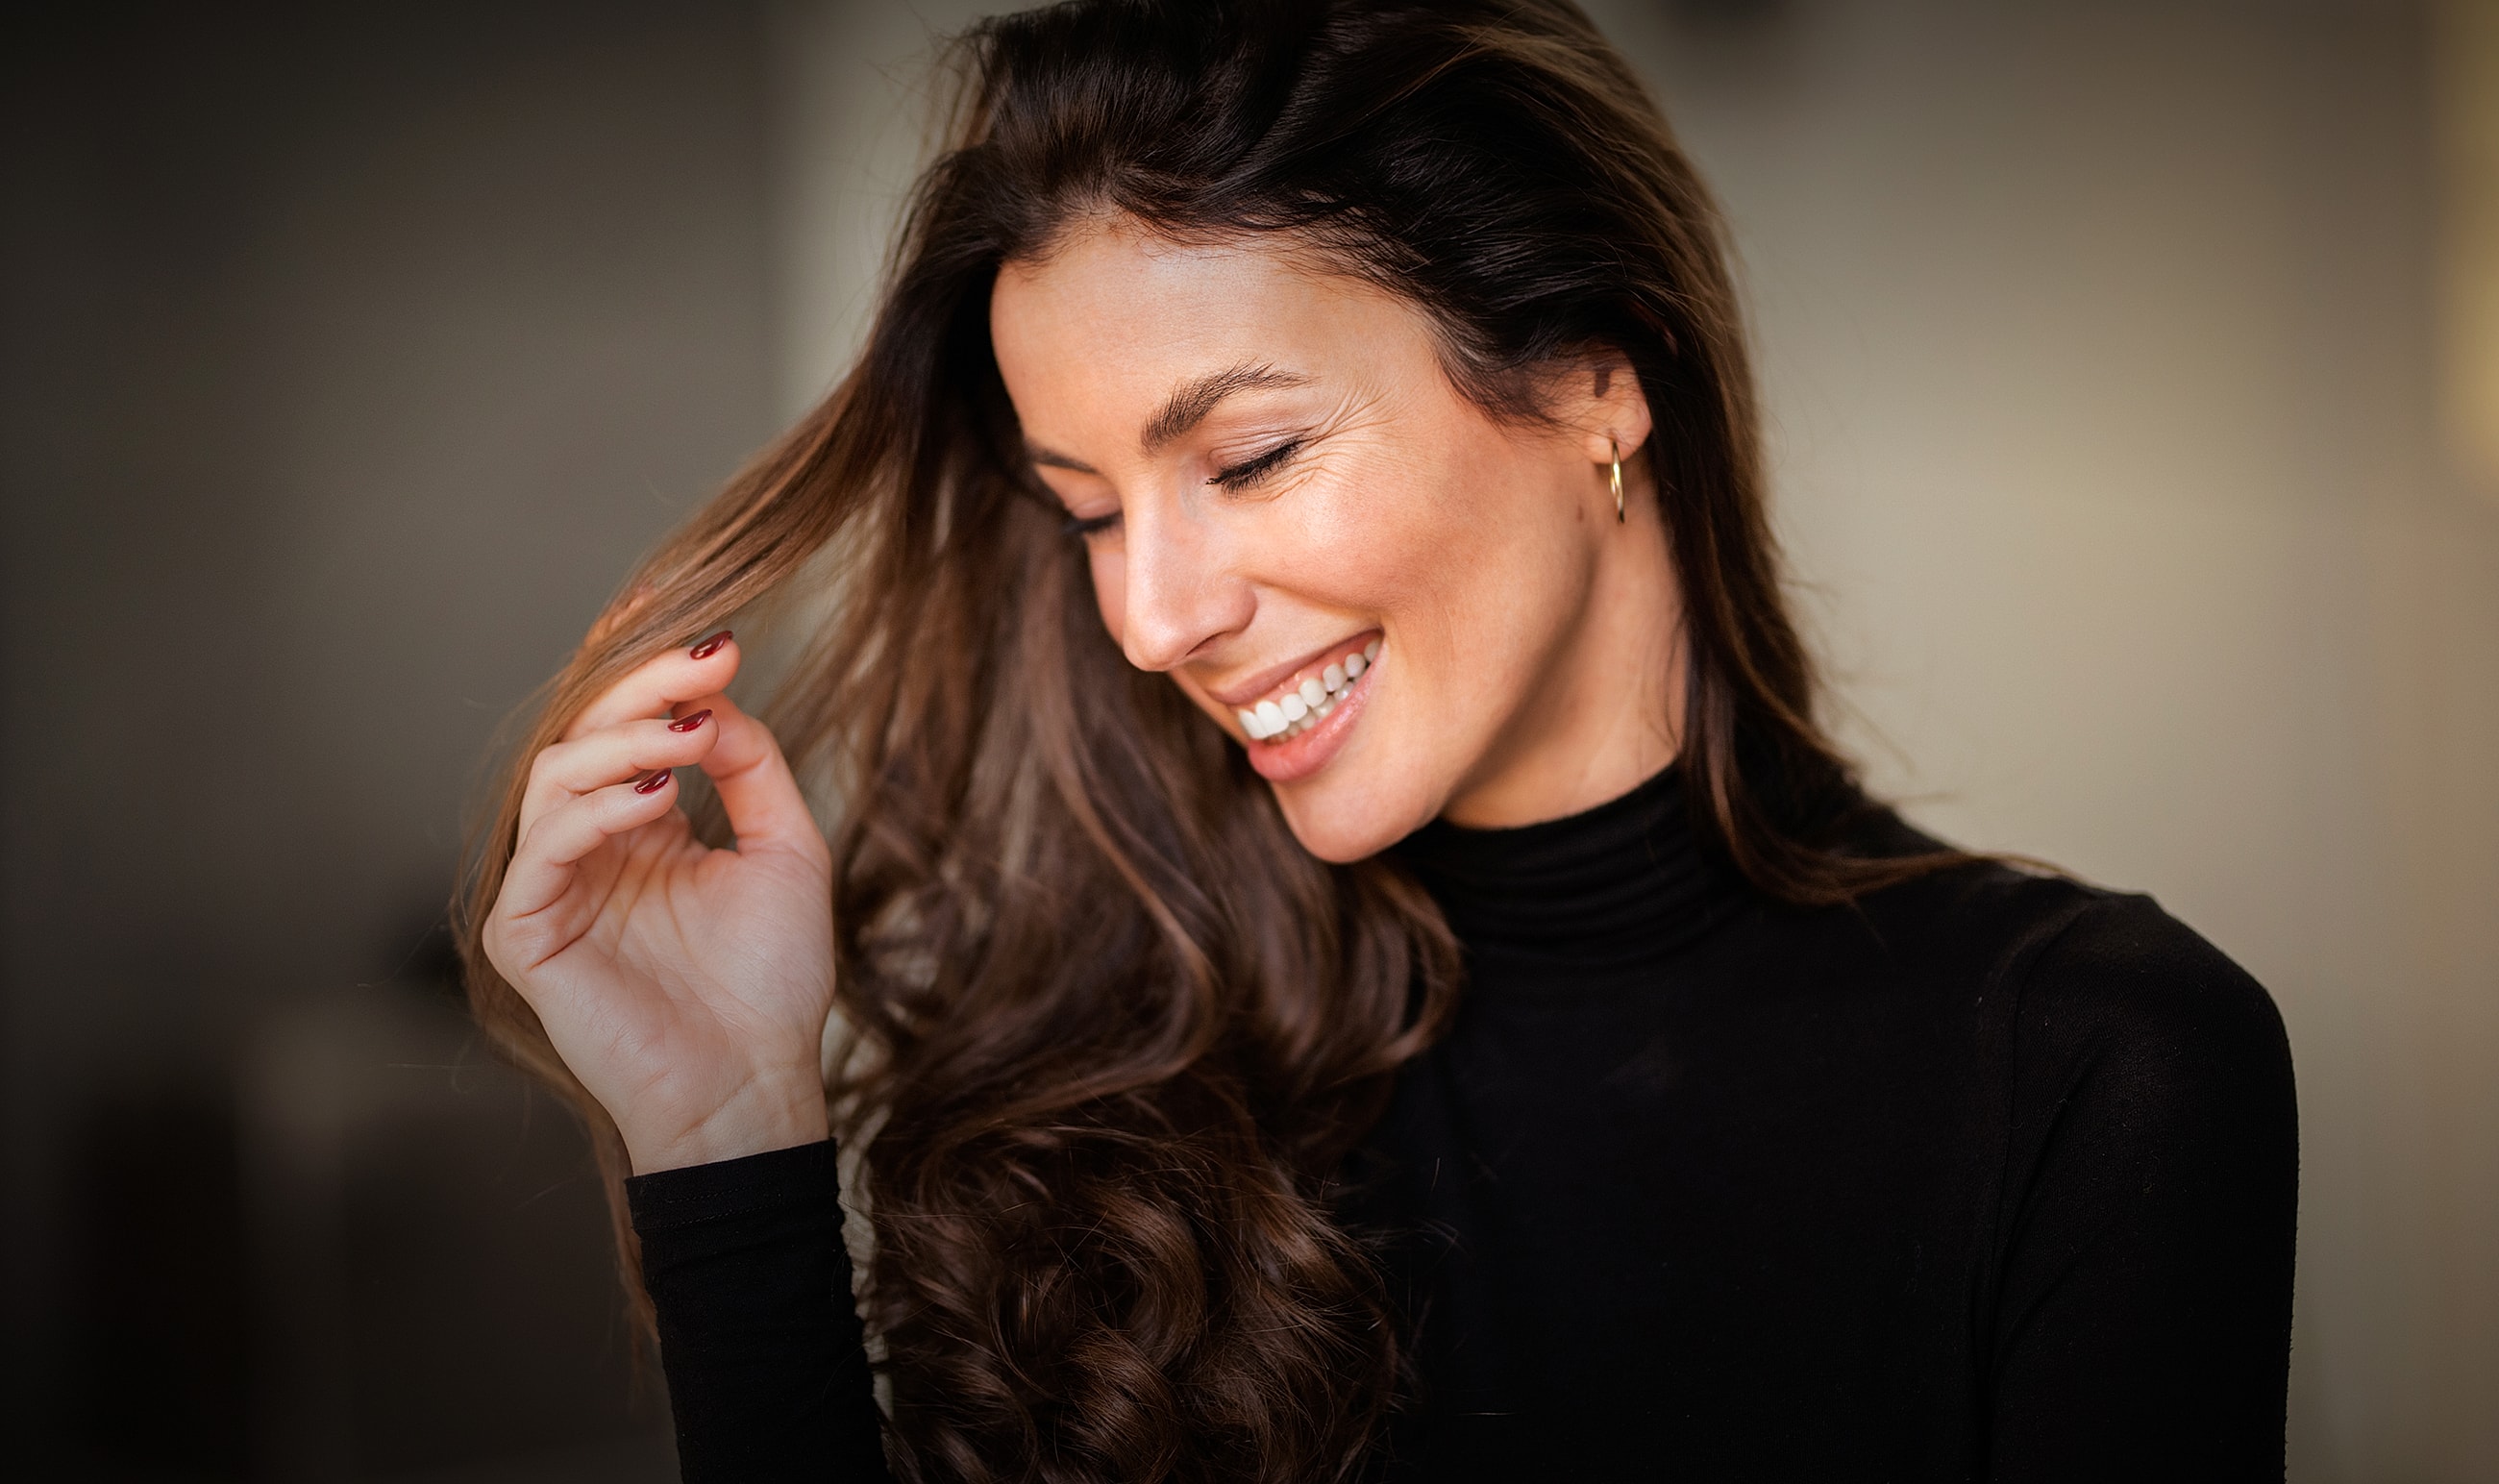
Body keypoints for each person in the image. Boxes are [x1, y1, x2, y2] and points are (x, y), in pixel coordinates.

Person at [459, 2, 2298, 1479]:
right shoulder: (1119, 1059)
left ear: (1593, 377)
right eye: (1088, 510)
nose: (1152, 618)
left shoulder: (2092, 1068)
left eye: (1247, 458)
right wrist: (729, 1140)